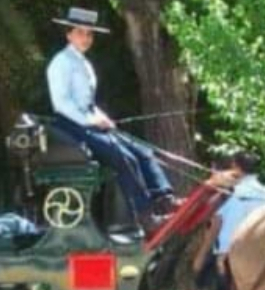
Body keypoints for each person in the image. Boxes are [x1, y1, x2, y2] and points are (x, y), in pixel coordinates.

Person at [46, 7, 179, 234]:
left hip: (89, 122)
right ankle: (145, 217)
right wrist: (90, 122)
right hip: (71, 125)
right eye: (80, 32)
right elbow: (62, 104)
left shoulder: (84, 63)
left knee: (143, 152)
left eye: (89, 34)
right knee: (124, 157)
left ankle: (165, 199)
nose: (86, 38)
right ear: (69, 34)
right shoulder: (60, 62)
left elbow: (88, 102)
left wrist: (102, 117)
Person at [192, 151, 265, 290]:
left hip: (230, 256)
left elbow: (217, 224)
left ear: (235, 166)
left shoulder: (230, 192)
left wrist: (201, 256)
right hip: (258, 254)